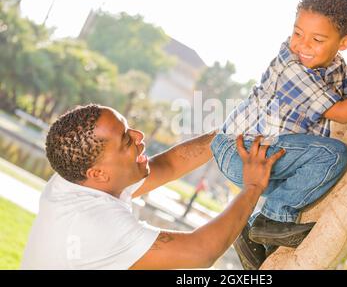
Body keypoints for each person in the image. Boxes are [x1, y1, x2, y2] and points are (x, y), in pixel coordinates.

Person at [211, 0, 347, 269]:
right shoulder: (292, 65)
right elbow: (343, 113)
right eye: (297, 33)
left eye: (316, 39)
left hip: (270, 157)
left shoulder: (337, 69)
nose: (302, 45)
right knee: (333, 155)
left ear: (343, 43)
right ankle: (271, 219)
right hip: (243, 150)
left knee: (313, 175)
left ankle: (250, 233)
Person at [21, 104, 285, 269]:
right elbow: (200, 253)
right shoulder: (92, 224)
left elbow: (169, 165)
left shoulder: (77, 177)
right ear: (98, 173)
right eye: (126, 140)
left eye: (129, 128)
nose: (139, 136)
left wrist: (231, 133)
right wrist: (252, 186)